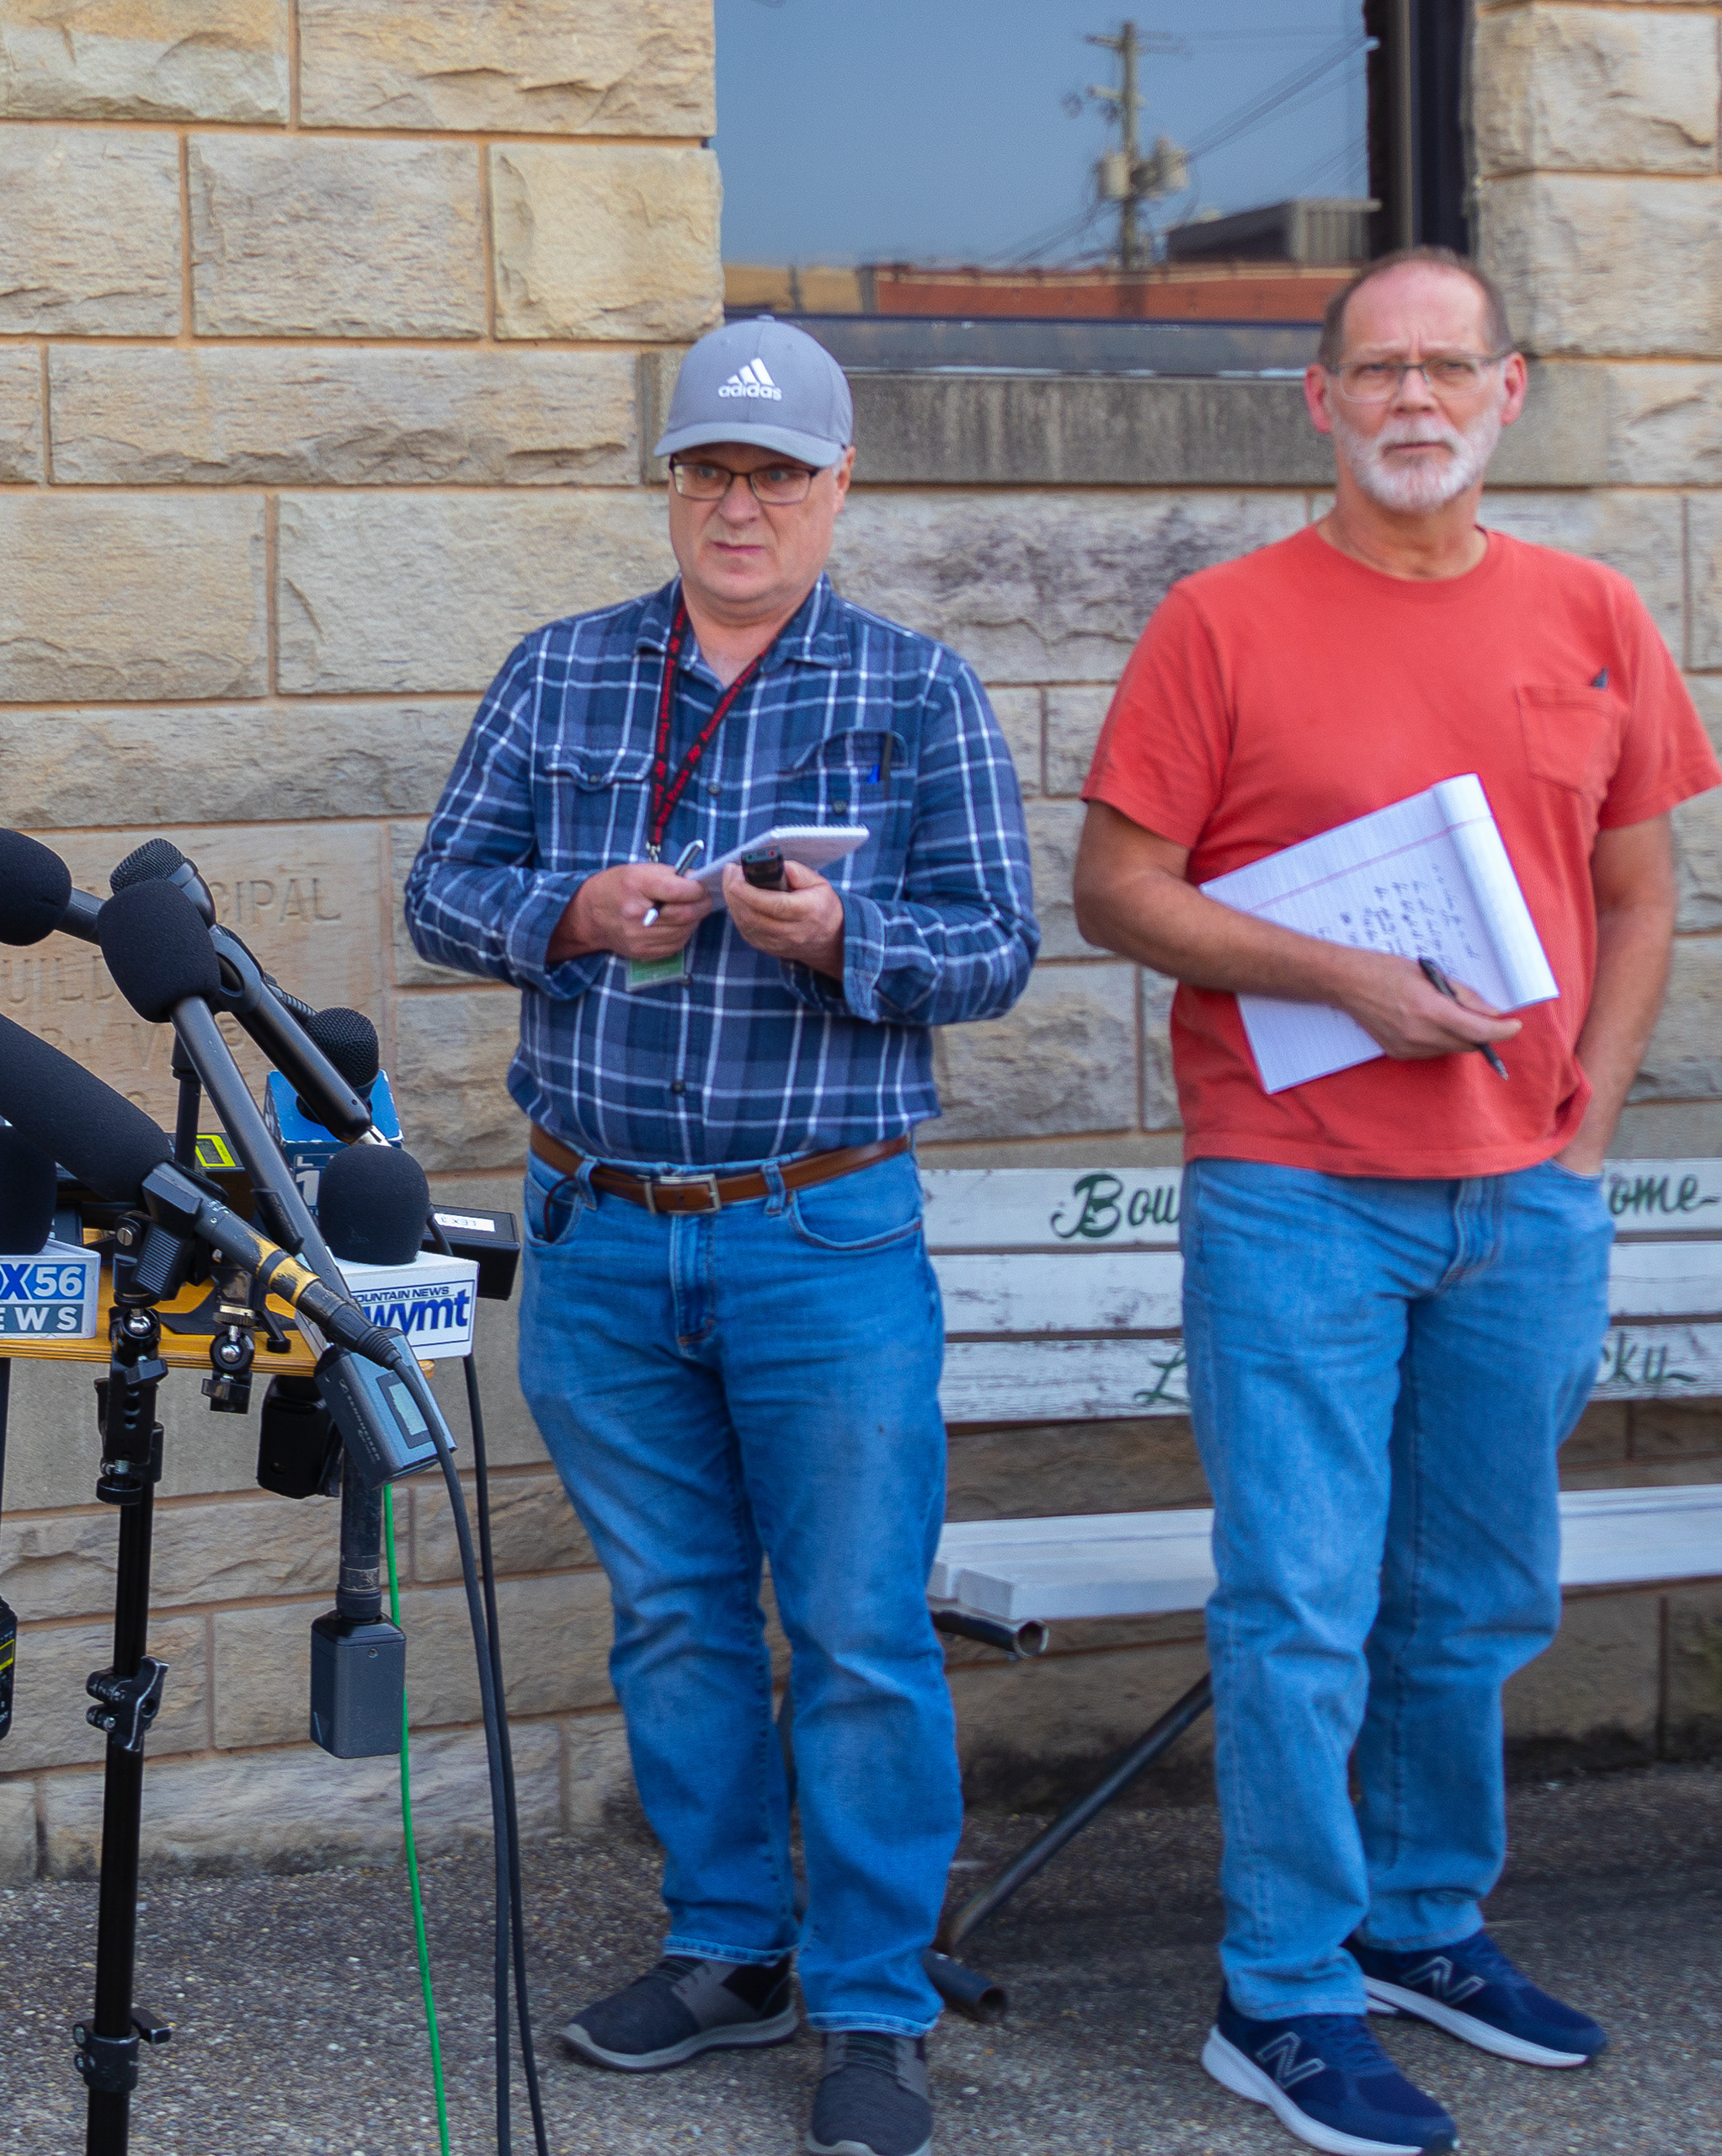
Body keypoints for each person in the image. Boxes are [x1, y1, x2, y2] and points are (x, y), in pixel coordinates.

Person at [1073, 247, 1722, 2156]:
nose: (1416, 400)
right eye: (1381, 370)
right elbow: (1119, 889)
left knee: (1479, 1595)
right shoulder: (1224, 621)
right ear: (1324, 400)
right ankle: (1278, 1984)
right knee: (1300, 1598)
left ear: (1507, 392)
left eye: (1451, 368)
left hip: (1523, 1196)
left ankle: (1423, 1923)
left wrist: (1590, 1105)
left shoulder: (1593, 609)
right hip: (1298, 1195)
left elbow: (1641, 889)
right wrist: (1336, 977)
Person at [405, 316, 1037, 2156]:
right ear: (671, 486)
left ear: (841, 487)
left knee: (853, 1628)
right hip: (599, 1231)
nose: (738, 504)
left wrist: (849, 946)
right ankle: (726, 1944)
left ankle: (871, 1999)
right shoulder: (563, 669)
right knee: (675, 1615)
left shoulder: (917, 690)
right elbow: (445, 888)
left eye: (775, 474)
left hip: (820, 1235)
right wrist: (572, 911)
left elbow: (995, 946)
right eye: (708, 471)